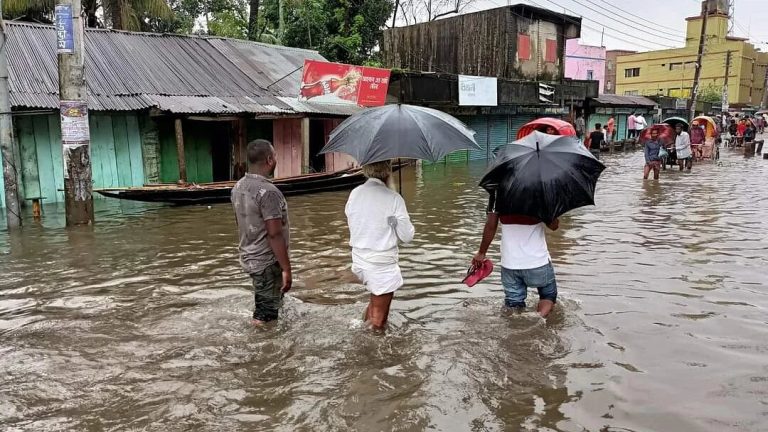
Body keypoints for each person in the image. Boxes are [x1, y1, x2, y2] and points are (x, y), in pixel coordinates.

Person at [345, 160, 414, 330]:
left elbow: (354, 219)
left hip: (360, 261)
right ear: (388, 171)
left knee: (375, 305)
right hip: (381, 265)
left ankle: (362, 329)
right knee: (379, 322)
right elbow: (407, 236)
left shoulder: (355, 193)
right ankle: (370, 352)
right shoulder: (394, 198)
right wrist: (398, 218)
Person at [231, 140, 292, 325]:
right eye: (275, 156)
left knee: (269, 306)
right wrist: (286, 269)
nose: (276, 160)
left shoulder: (238, 186)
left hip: (250, 256)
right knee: (265, 318)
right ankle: (260, 350)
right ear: (269, 159)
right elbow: (274, 234)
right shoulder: (269, 192)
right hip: (267, 261)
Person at [473, 192, 560, 318]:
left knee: (513, 304)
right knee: (548, 296)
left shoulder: (498, 192)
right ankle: (538, 319)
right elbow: (554, 226)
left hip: (509, 264)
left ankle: (518, 324)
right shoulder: (541, 193)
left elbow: (491, 226)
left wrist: (481, 253)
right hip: (537, 262)